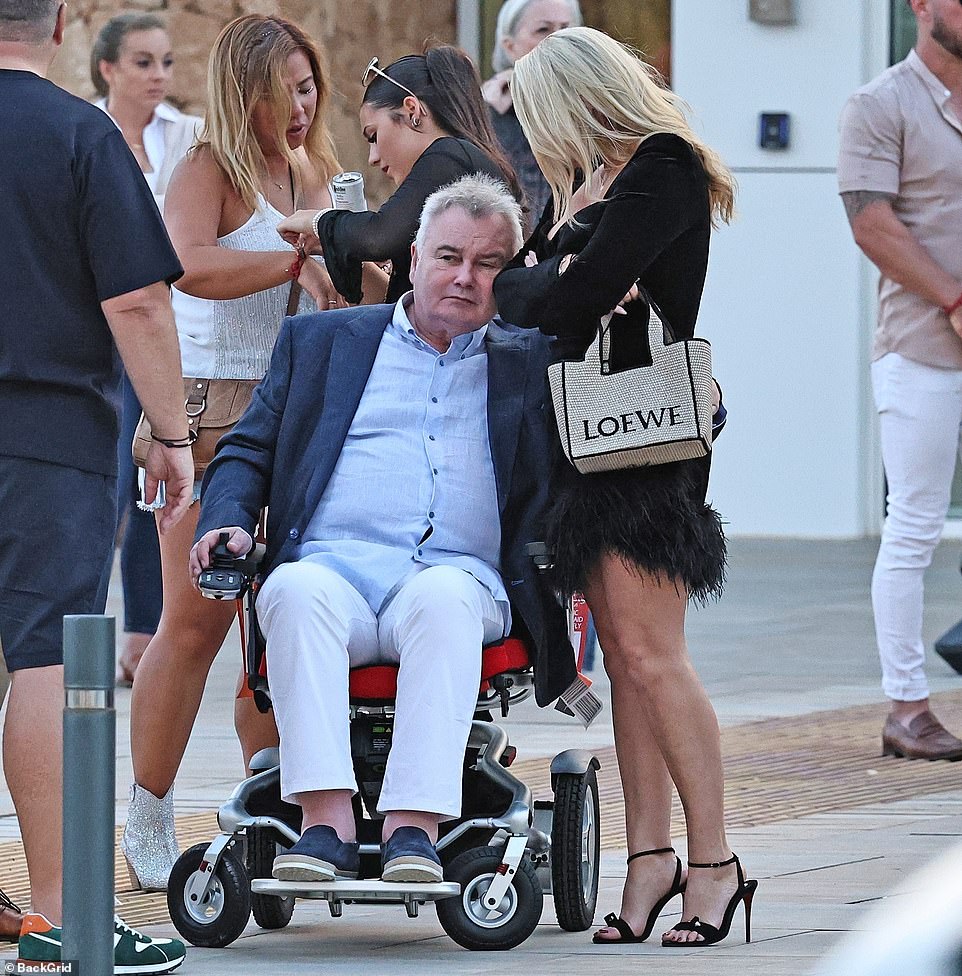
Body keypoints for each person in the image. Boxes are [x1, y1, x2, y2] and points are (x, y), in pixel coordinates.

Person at [190, 174, 575, 882]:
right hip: (333, 568)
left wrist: (699, 402)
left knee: (442, 602)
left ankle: (413, 829)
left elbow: (609, 424)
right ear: (414, 255)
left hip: (456, 574)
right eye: (449, 256)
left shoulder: (531, 361)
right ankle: (325, 824)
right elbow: (247, 450)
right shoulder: (322, 341)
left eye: (487, 264)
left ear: (510, 275)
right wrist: (228, 523)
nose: (465, 278)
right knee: (296, 592)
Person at [494, 28, 754, 948]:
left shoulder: (663, 164)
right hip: (586, 440)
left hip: (642, 444)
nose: (530, 133)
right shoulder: (590, 182)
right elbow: (525, 288)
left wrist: (551, 279)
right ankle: (650, 858)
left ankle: (715, 861)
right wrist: (548, 278)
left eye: (536, 112)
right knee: (627, 663)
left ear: (574, 98)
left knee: (653, 658)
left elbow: (559, 297)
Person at [122, 13, 354, 893]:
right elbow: (185, 264)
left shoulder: (313, 168)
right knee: (195, 621)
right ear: (241, 91)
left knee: (279, 619)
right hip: (208, 413)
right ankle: (147, 809)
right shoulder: (209, 166)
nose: (301, 107)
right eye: (283, 91)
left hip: (291, 411)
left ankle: (275, 805)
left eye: (309, 87)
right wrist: (298, 258)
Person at [0, 1, 190, 970]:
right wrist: (170, 430)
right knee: (44, 658)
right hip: (46, 435)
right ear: (65, 18)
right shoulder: (80, 133)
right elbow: (138, 299)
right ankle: (60, 914)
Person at [838, 0, 962, 762]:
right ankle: (907, 708)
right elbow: (872, 223)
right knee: (914, 527)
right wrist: (953, 298)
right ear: (920, 4)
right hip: (921, 348)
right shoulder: (880, 103)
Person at [91, 11, 203, 686]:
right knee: (101, 479)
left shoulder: (189, 136)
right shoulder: (84, 131)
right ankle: (89, 629)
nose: (159, 75)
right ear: (108, 68)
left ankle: (142, 633)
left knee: (149, 473)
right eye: (143, 62)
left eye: (165, 61)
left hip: (164, 328)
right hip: (91, 329)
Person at [276, 45, 520, 306]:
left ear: (412, 111)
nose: (373, 158)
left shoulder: (449, 154)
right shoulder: (457, 164)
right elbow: (400, 300)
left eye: (374, 136)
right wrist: (335, 244)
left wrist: (320, 221)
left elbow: (379, 238)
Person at [482, 0, 582, 232]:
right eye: (543, 30)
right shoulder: (488, 110)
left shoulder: (593, 111)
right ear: (509, 46)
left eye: (566, 28)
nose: (558, 39)